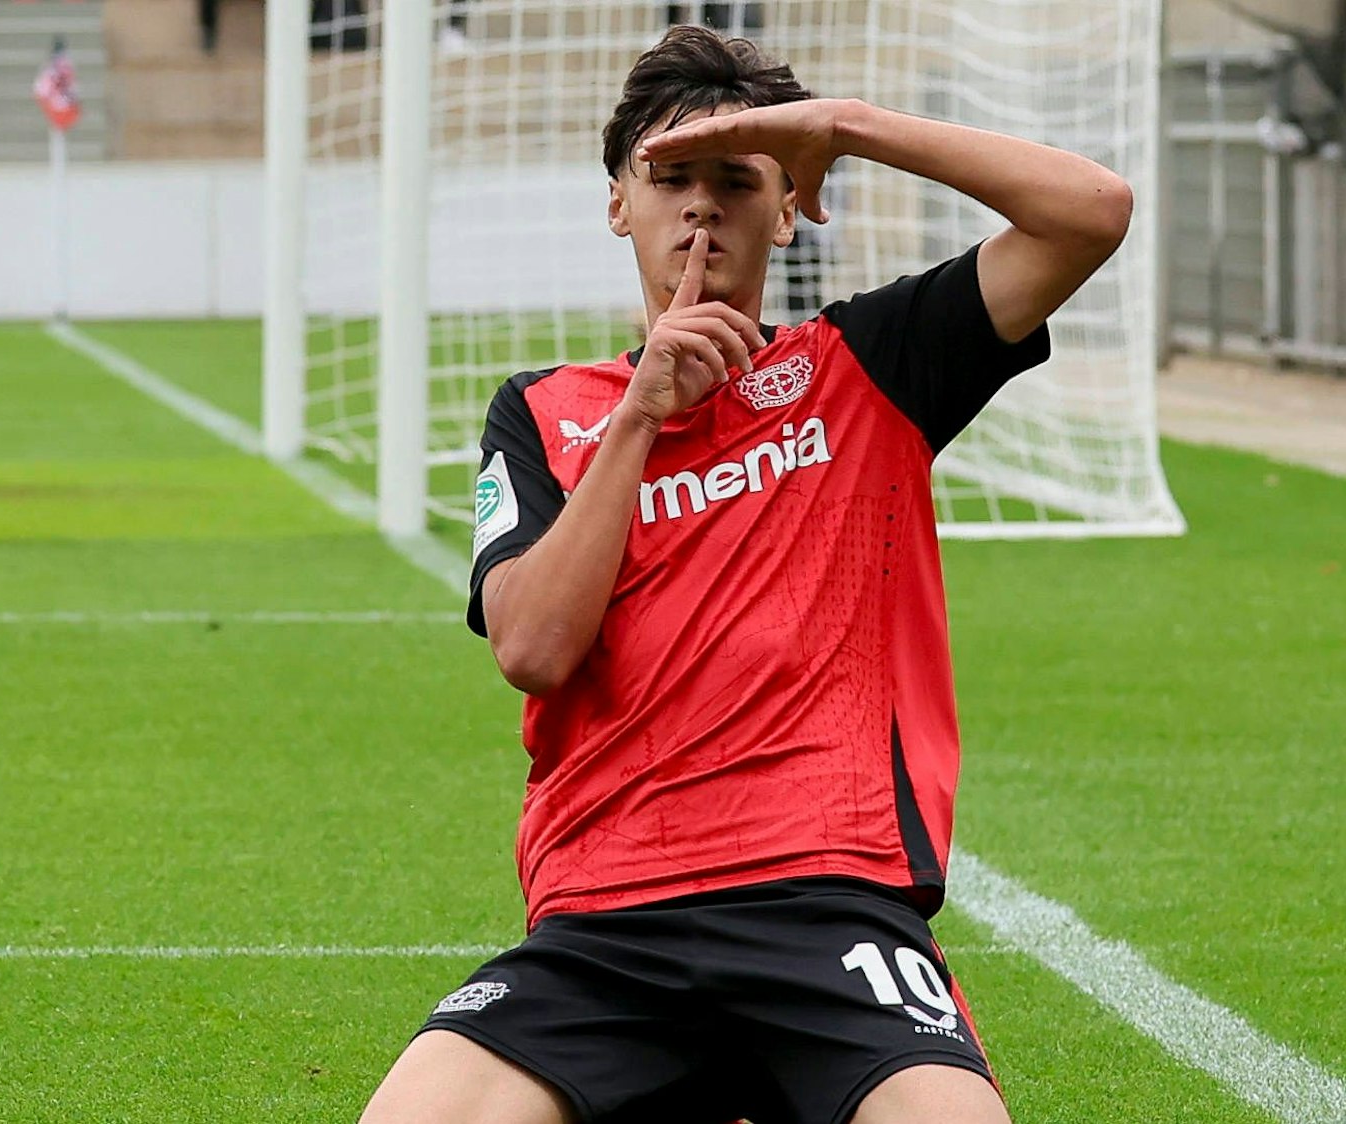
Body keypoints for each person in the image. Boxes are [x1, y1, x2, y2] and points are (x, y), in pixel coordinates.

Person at [359, 25, 1131, 1124]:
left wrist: (842, 127)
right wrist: (640, 414)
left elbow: (1089, 211)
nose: (702, 207)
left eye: (738, 179)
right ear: (619, 202)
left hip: (829, 906)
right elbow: (532, 650)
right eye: (670, 176)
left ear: (788, 206)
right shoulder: (542, 412)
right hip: (604, 922)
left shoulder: (869, 365)